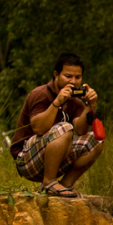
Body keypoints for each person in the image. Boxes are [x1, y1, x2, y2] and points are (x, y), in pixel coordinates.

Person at [10, 53, 103, 198]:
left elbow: (81, 130)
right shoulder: (40, 94)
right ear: (56, 75)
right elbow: (38, 128)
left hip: (53, 158)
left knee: (96, 140)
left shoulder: (75, 101)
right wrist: (57, 102)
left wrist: (89, 105)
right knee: (64, 128)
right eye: (68, 76)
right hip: (26, 160)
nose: (73, 81)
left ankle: (65, 185)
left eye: (77, 77)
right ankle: (49, 182)